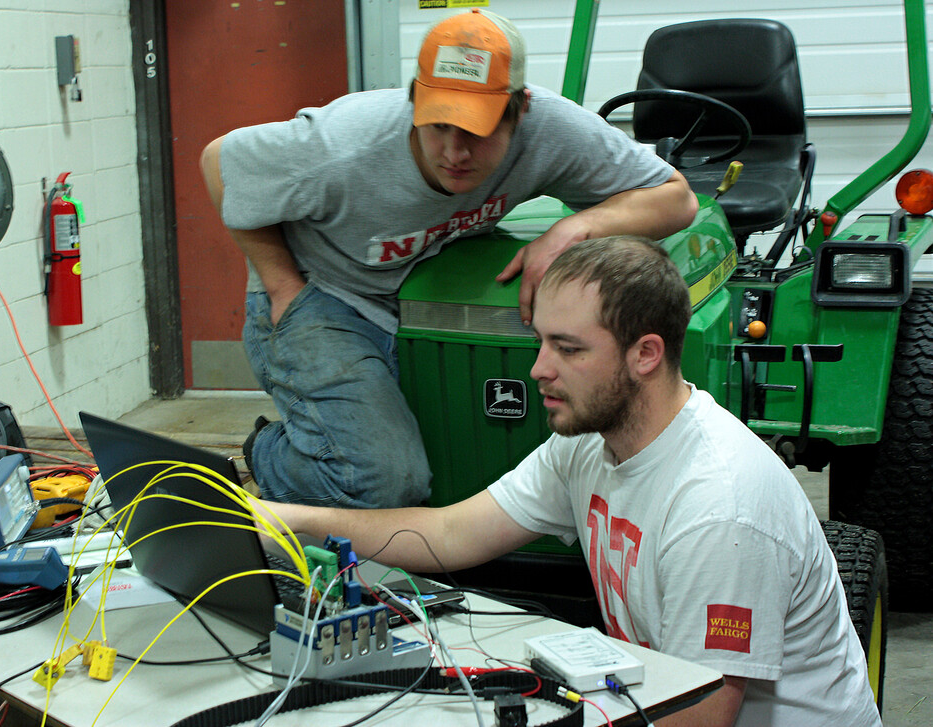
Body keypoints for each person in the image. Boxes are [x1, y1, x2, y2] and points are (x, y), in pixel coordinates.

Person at [256, 236, 882, 726]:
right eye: (539, 343)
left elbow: (698, 717)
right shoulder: (585, 445)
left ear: (646, 354)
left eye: (568, 349)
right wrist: (289, 520)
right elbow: (447, 533)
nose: (538, 370)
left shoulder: (719, 509)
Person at [201, 8, 698, 509]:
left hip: (420, 292)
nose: (455, 152)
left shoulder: (549, 128)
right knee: (385, 483)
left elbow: (677, 198)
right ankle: (266, 455)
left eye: (477, 130)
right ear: (414, 98)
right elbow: (219, 161)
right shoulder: (342, 143)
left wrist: (576, 226)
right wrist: (284, 287)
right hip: (326, 294)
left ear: (518, 109)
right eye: (438, 126)